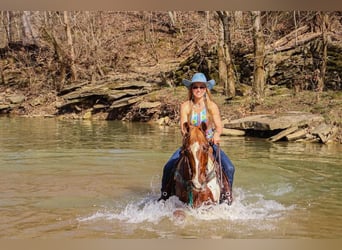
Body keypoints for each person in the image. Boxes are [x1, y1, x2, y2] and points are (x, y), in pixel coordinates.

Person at [159, 72, 235, 203]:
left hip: (208, 143)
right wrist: (190, 137)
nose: (198, 90)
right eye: (195, 87)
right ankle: (164, 194)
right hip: (191, 143)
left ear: (206, 89)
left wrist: (216, 135)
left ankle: (227, 195)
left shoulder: (211, 106)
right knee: (168, 167)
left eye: (201, 87)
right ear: (191, 89)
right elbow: (183, 127)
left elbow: (219, 127)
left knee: (229, 168)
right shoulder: (186, 106)